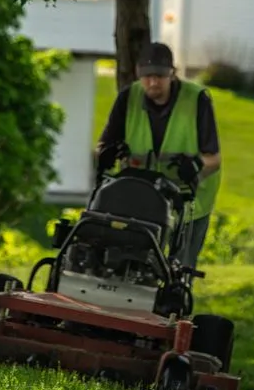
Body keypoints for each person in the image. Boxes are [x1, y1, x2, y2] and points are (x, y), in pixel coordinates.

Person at [95, 42, 222, 270]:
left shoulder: (197, 100)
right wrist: (105, 154)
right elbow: (102, 146)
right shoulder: (128, 97)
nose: (153, 82)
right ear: (138, 73)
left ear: (172, 73)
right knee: (130, 262)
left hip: (188, 201)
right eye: (147, 76)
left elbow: (214, 159)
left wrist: (195, 167)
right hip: (141, 197)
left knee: (178, 271)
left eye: (160, 76)